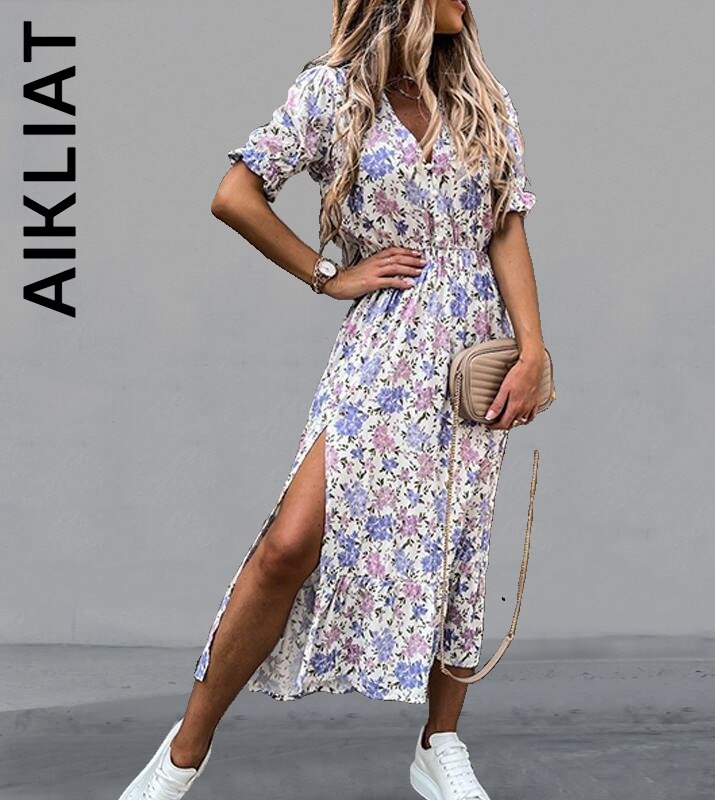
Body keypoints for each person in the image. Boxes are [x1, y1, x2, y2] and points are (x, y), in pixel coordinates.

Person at [118, 0, 546, 798]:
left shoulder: (481, 98)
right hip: (385, 346)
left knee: (459, 544)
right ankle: (182, 756)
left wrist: (534, 348)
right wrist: (328, 273)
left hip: (472, 354)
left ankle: (440, 745)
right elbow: (236, 194)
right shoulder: (333, 92)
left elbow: (506, 227)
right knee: (289, 544)